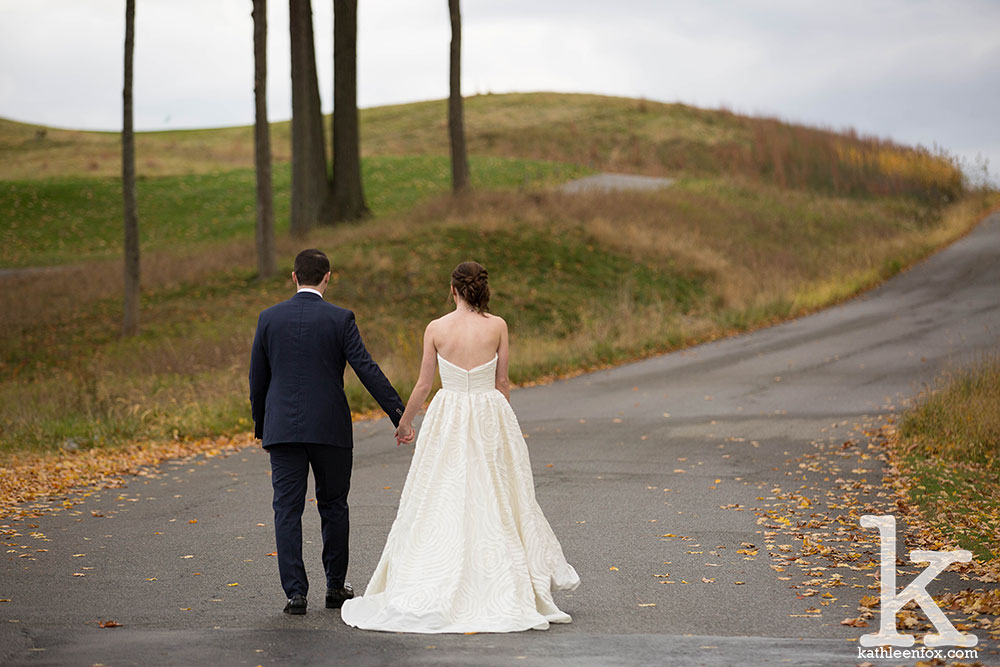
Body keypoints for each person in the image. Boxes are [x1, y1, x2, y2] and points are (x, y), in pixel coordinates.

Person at [341, 261, 579, 633]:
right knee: (496, 491)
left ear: (452, 290)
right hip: (487, 410)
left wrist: (405, 422)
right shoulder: (497, 326)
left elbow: (423, 385)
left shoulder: (436, 328)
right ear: (481, 289)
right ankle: (502, 579)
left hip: (449, 413)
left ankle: (435, 572)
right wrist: (505, 425)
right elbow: (502, 382)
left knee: (442, 490)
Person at [249, 248, 405, 615]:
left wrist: (262, 427)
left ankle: (295, 593)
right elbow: (366, 368)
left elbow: (258, 379)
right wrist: (399, 414)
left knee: (286, 509)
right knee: (333, 506)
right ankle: (336, 587)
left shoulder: (268, 318)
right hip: (330, 428)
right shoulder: (340, 319)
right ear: (327, 277)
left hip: (283, 429)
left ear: (293, 277)